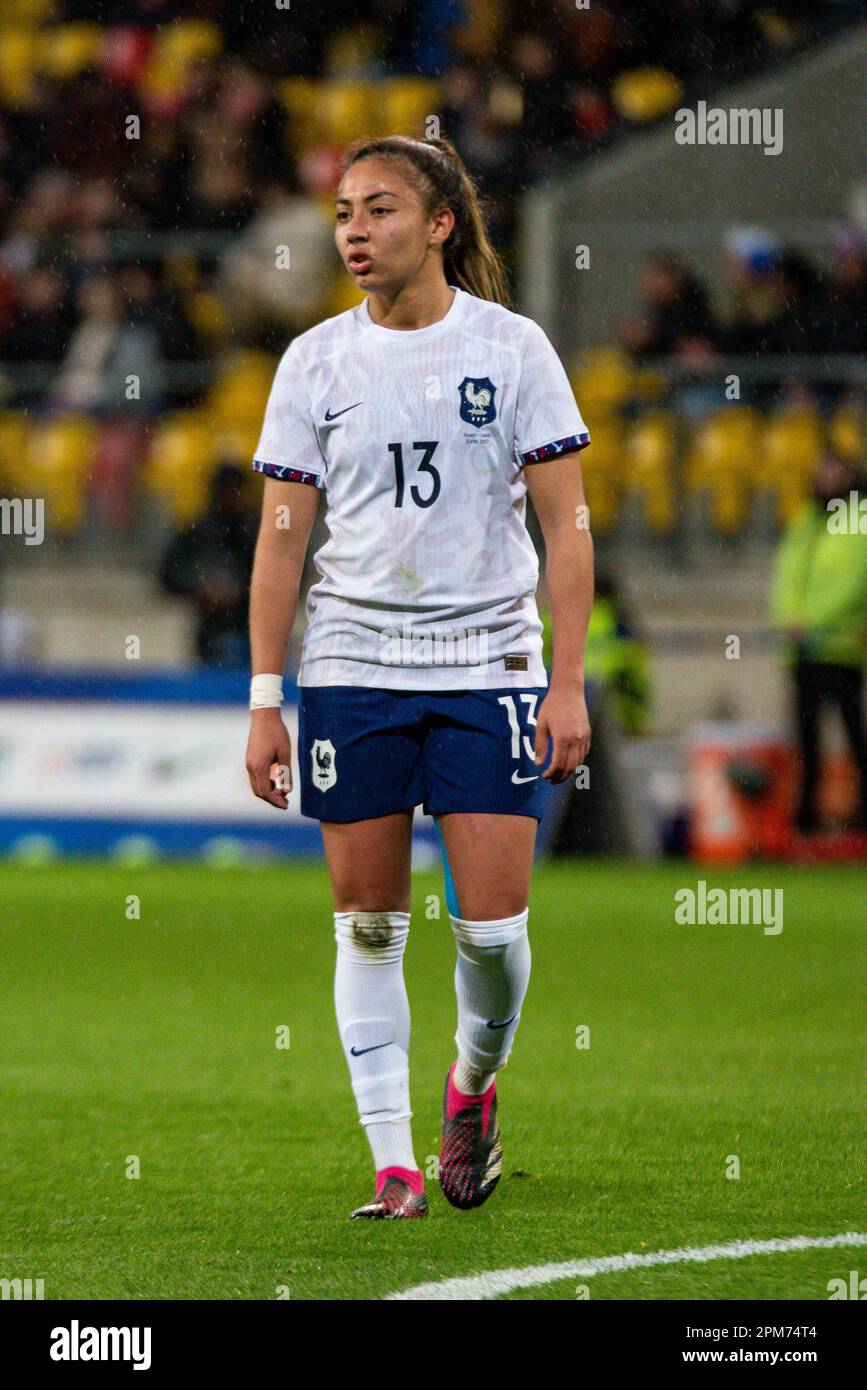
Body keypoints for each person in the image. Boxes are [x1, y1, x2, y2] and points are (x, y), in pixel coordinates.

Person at [245, 135, 593, 1220]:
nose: (353, 230)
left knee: (491, 934)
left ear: (441, 224)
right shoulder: (313, 361)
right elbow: (280, 544)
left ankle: (472, 1088)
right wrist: (267, 698)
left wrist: (567, 680)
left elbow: (567, 525)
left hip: (488, 663)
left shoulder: (514, 347)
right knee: (367, 924)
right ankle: (393, 1161)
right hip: (352, 666)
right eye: (344, 211)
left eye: (380, 209)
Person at [770, 451, 867, 834]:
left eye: (833, 473)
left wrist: (810, 621)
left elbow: (855, 582)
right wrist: (789, 617)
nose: (825, 480)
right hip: (803, 653)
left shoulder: (859, 520)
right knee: (806, 740)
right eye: (821, 472)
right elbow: (786, 578)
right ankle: (807, 821)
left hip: (841, 650)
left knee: (852, 736)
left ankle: (860, 817)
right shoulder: (805, 522)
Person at [160, 465, 257, 668]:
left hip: (253, 629)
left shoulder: (255, 532)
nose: (233, 498)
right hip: (209, 631)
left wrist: (240, 594)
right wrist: (199, 591)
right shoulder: (198, 532)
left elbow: (288, 580)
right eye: (228, 491)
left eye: (237, 491)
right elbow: (166, 576)